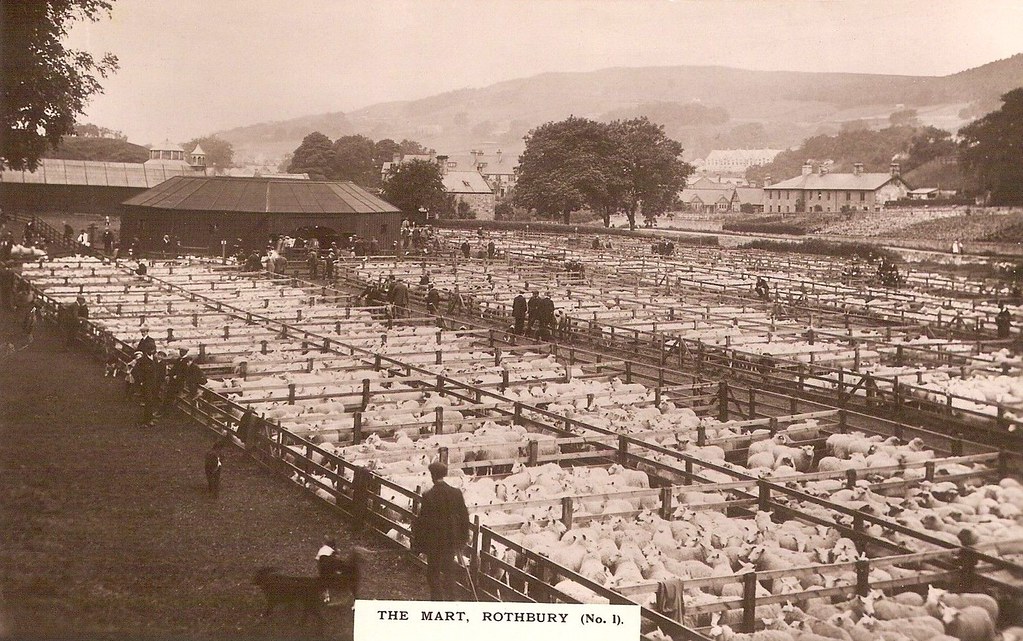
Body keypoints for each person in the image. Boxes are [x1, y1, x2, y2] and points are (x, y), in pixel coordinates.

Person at [411, 462, 470, 601]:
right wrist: (462, 540)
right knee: (449, 572)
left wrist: (418, 544)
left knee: (433, 574)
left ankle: (437, 601)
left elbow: (423, 522)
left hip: (434, 543)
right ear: (445, 475)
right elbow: (464, 518)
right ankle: (452, 601)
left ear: (432, 476)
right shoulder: (456, 493)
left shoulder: (429, 495)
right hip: (451, 542)